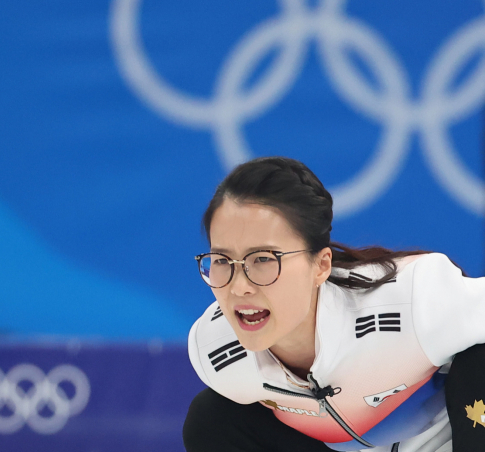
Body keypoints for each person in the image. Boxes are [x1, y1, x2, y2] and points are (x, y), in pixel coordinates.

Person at [182, 156, 485, 452]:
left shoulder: (413, 302)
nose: (238, 287)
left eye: (262, 259)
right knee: (210, 419)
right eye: (221, 260)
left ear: (321, 265)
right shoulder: (215, 351)